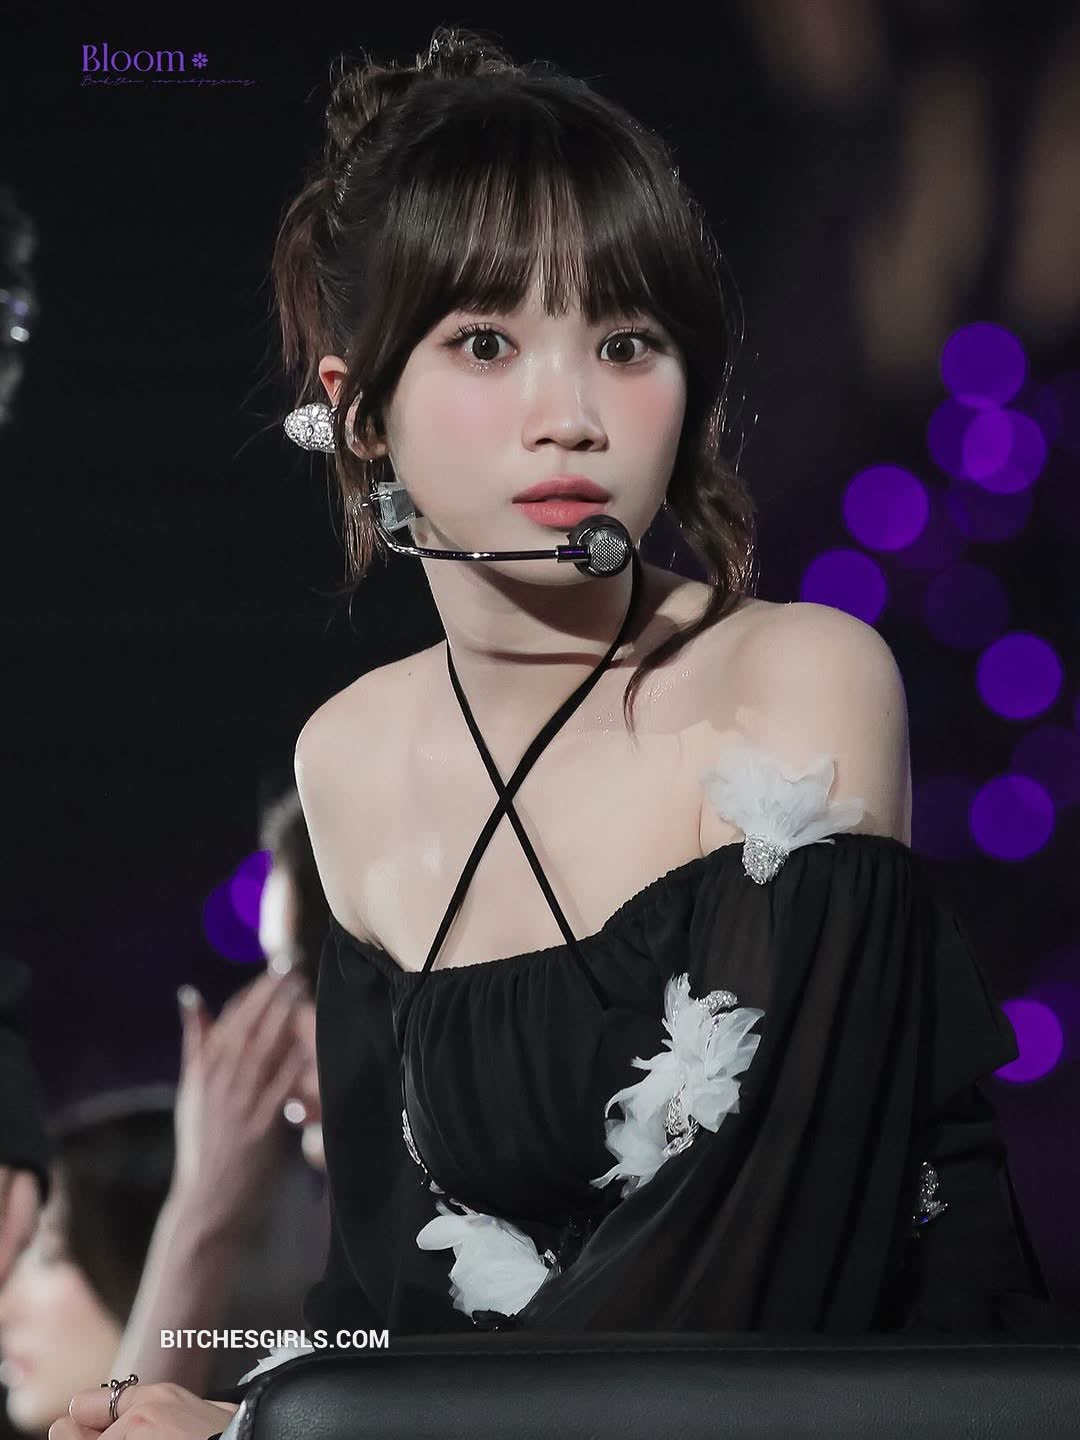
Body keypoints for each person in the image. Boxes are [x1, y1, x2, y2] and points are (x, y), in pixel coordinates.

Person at [53, 22, 1080, 1440]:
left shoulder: (797, 677)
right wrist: (211, 1383)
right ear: (360, 411)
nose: (572, 413)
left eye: (626, 342)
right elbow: (395, 1282)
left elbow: (756, 1260)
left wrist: (268, 1438)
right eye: (486, 342)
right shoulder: (348, 760)